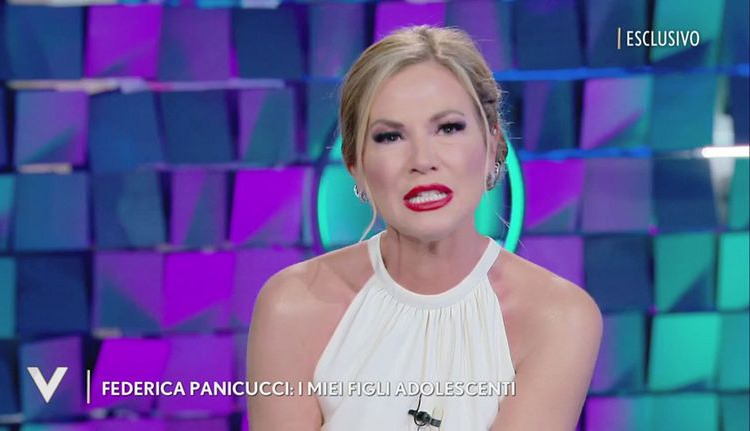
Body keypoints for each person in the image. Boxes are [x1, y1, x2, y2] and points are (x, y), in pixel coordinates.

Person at [247, 25, 602, 430]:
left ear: (492, 145)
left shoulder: (558, 317)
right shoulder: (292, 305)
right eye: (390, 136)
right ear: (355, 166)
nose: (422, 160)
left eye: (448, 128)